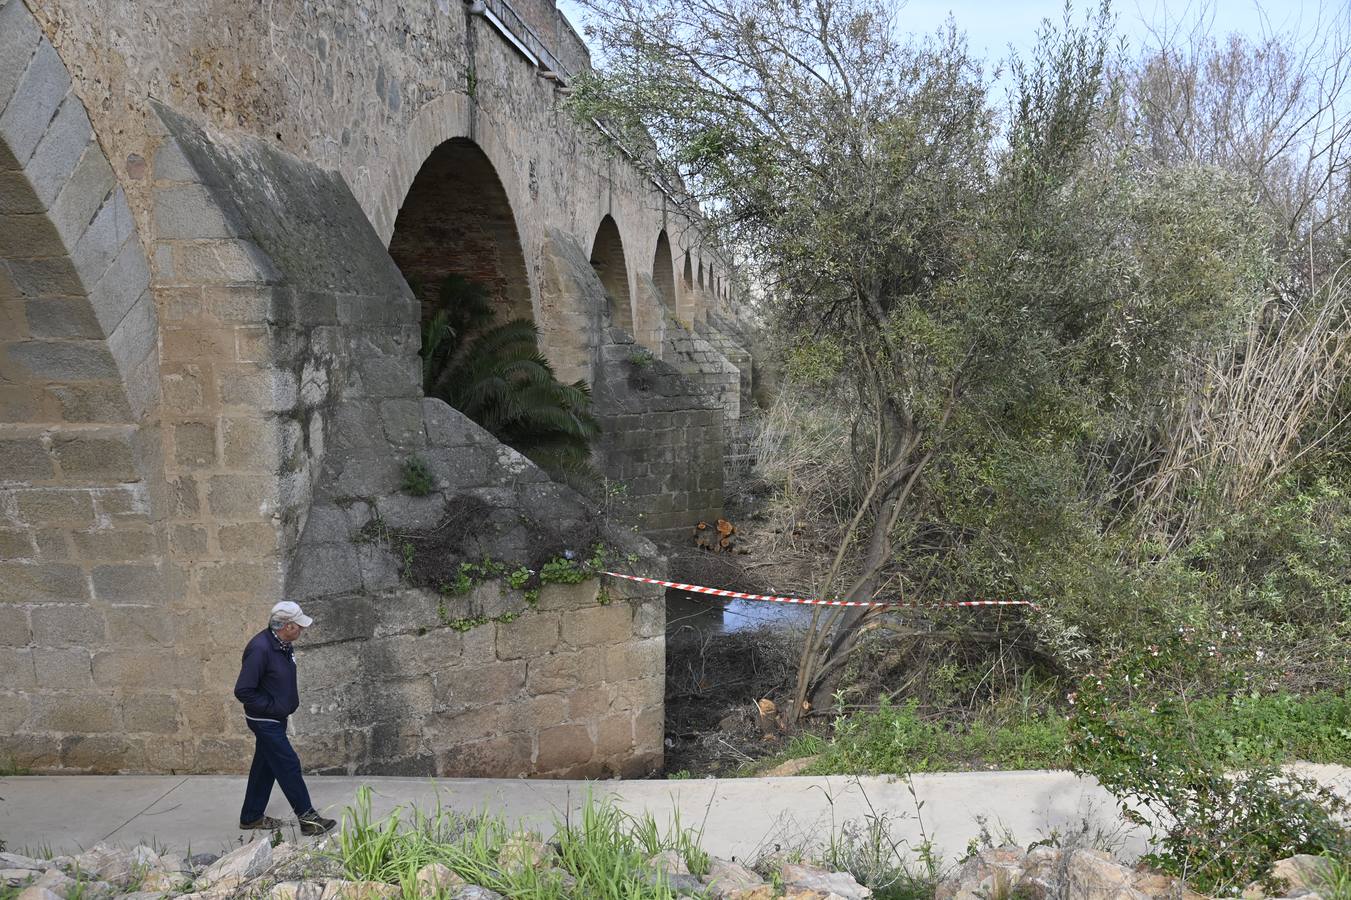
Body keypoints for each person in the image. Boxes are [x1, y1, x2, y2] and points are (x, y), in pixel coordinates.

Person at [233, 600, 336, 835]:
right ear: (286, 626)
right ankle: (308, 819)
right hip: (265, 720)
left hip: (275, 717)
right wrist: (272, 707)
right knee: (288, 763)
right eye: (298, 625)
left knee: (265, 766)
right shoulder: (260, 648)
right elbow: (243, 690)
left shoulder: (283, 644)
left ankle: (250, 816)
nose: (302, 629)